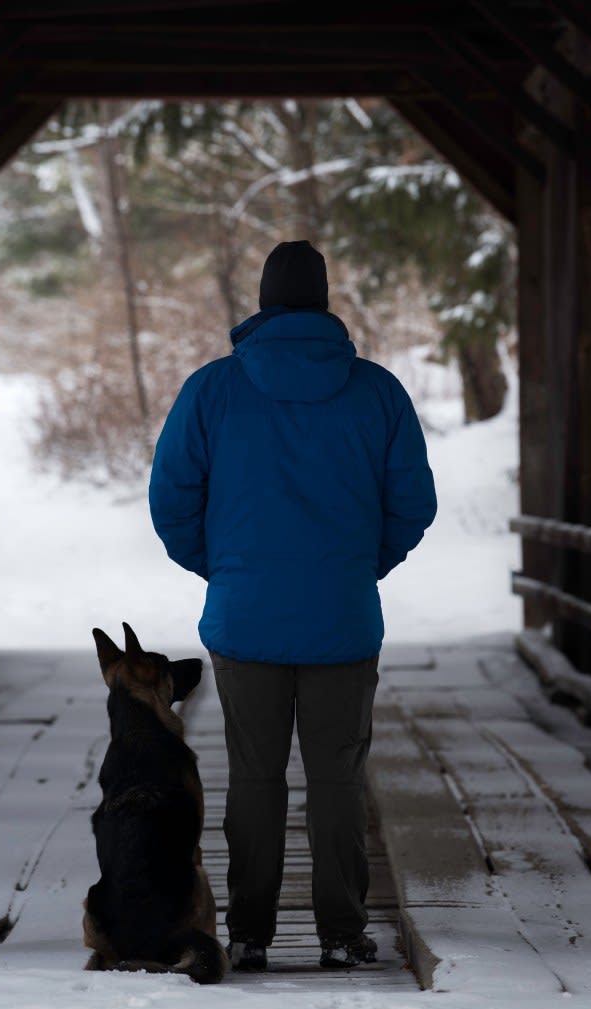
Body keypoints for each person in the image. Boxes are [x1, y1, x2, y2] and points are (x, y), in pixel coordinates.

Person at [148, 240, 437, 971]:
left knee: (253, 776)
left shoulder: (211, 390)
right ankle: (342, 932)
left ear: (265, 302)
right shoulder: (376, 392)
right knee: (338, 778)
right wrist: (359, 569)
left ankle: (248, 931)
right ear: (325, 300)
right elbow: (412, 503)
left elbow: (171, 498)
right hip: (342, 617)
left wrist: (227, 570)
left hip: (246, 618)